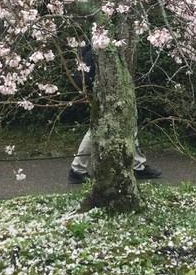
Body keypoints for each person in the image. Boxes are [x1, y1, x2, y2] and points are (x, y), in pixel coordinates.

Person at [67, 37, 162, 184]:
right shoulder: (100, 43)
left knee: (126, 122)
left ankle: (137, 164)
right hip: (107, 90)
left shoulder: (100, 40)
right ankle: (77, 169)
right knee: (98, 127)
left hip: (111, 87)